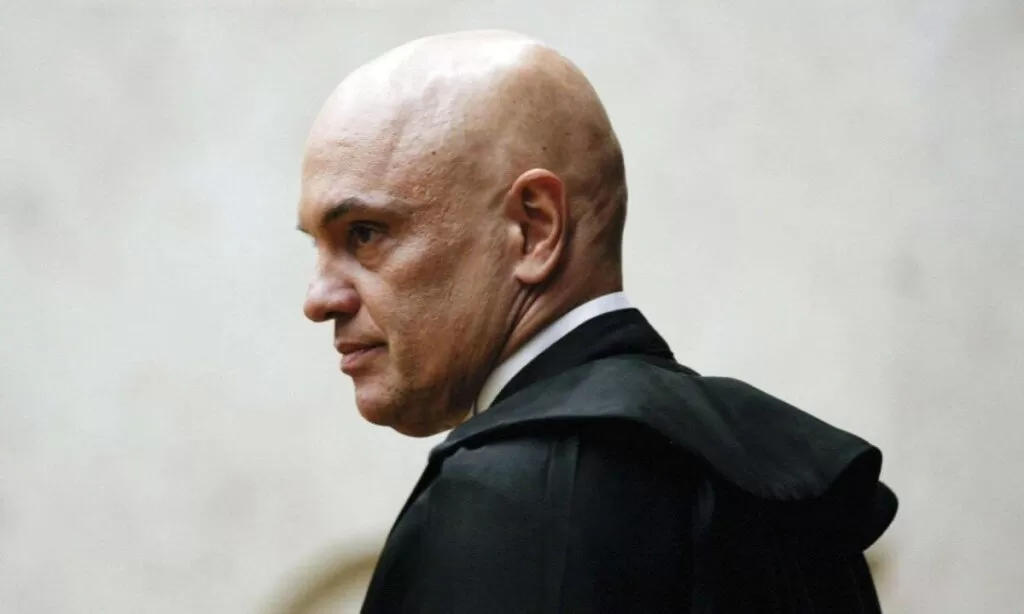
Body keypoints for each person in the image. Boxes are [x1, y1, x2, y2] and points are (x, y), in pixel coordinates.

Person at [296, 30, 897, 614]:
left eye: (364, 234)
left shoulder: (510, 500)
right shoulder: (775, 485)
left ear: (534, 229)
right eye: (316, 246)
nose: (318, 299)